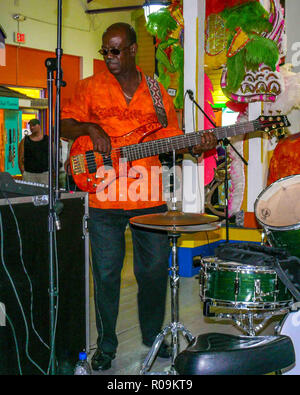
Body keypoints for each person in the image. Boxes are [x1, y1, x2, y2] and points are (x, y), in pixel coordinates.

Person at [60, 22, 217, 371]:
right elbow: (63, 123)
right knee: (105, 276)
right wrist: (90, 127)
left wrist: (198, 144)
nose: (110, 57)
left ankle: (152, 336)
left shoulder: (157, 91)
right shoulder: (89, 86)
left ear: (133, 49)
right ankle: (106, 346)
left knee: (154, 272)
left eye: (116, 50)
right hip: (103, 198)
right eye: (105, 51)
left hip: (149, 197)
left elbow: (174, 138)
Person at [18, 118, 49, 185]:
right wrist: (23, 172)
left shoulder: (47, 140)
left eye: (34, 125)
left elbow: (52, 155)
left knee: (45, 193)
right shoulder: (25, 140)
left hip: (44, 174)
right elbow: (20, 157)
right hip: (29, 174)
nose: (31, 127)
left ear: (39, 126)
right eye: (30, 126)